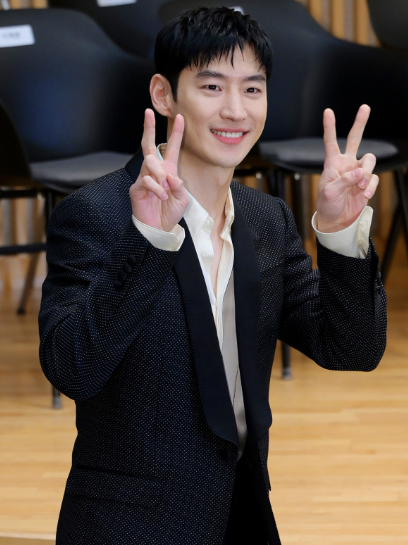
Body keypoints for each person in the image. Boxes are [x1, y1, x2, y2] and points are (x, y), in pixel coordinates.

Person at [38, 7, 386, 545]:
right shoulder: (96, 214)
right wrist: (147, 239)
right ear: (163, 94)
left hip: (242, 516)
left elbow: (352, 348)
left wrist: (341, 235)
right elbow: (73, 370)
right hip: (133, 526)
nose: (235, 110)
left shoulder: (267, 220)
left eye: (252, 89)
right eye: (211, 86)